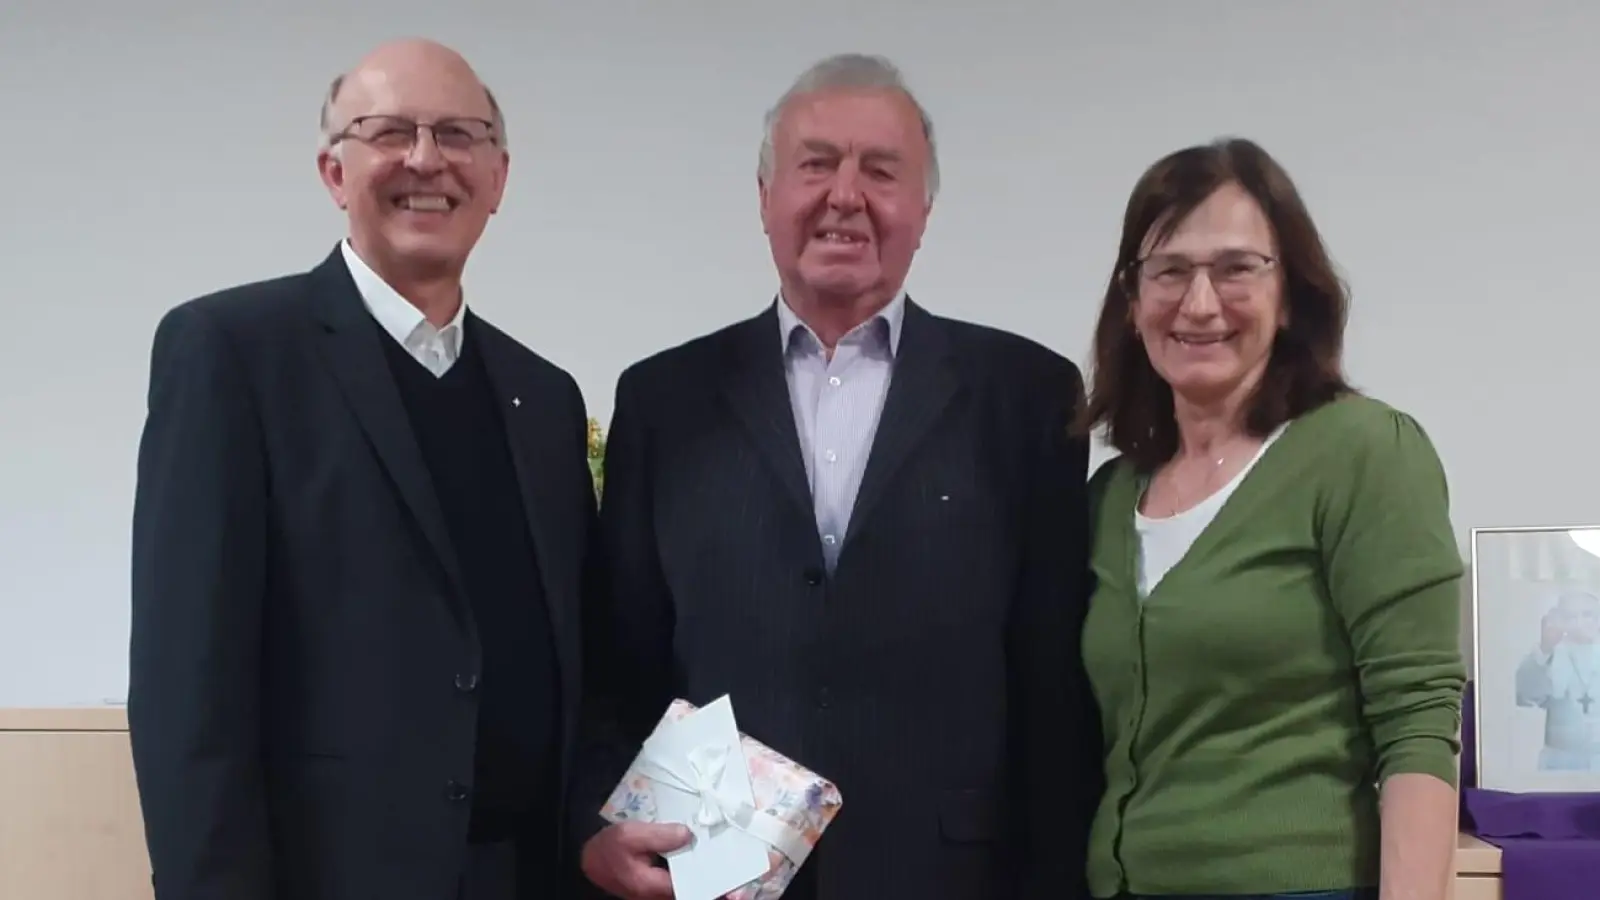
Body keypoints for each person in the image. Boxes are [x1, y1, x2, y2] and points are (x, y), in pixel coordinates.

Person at [572, 53, 1099, 900]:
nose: (845, 195)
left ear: (923, 209)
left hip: (954, 876)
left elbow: (1052, 685)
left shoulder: (1027, 397)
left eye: (881, 171)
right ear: (765, 198)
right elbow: (617, 663)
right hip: (716, 876)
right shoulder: (663, 400)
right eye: (815, 165)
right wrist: (595, 829)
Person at [128, 39, 595, 900]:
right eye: (389, 132)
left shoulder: (545, 399)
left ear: (498, 177)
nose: (426, 159)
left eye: (458, 134)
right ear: (333, 172)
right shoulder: (233, 355)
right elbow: (186, 691)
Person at [1077, 137, 1466, 900]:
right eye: (1169, 271)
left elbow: (1418, 723)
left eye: (1236, 268)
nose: (1199, 303)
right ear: (1132, 299)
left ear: (1289, 294)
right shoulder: (1110, 495)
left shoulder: (1362, 453)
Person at [1515, 590, 1600, 770]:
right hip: (1560, 761)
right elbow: (1525, 696)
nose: (1580, 622)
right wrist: (1545, 648)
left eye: (1587, 614)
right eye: (1571, 617)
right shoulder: (1550, 654)